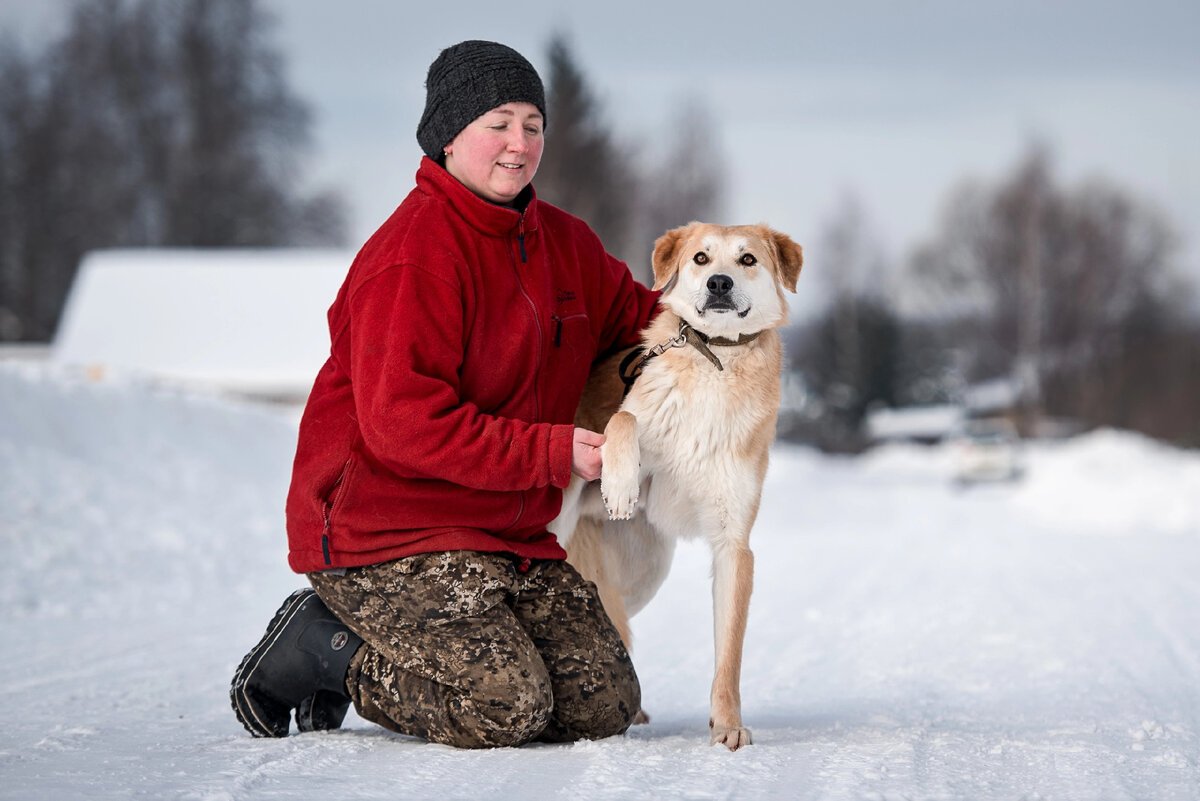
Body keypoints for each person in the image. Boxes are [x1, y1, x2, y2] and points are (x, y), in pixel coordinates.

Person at [229, 40, 659, 749]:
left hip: (506, 535)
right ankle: (328, 647)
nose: (520, 143)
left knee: (602, 704)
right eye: (498, 123)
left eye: (533, 124)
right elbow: (404, 424)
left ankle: (419, 641)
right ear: (449, 136)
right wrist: (552, 452)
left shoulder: (565, 244)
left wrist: (725, 313)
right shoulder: (413, 256)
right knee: (506, 706)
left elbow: (650, 323)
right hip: (387, 536)